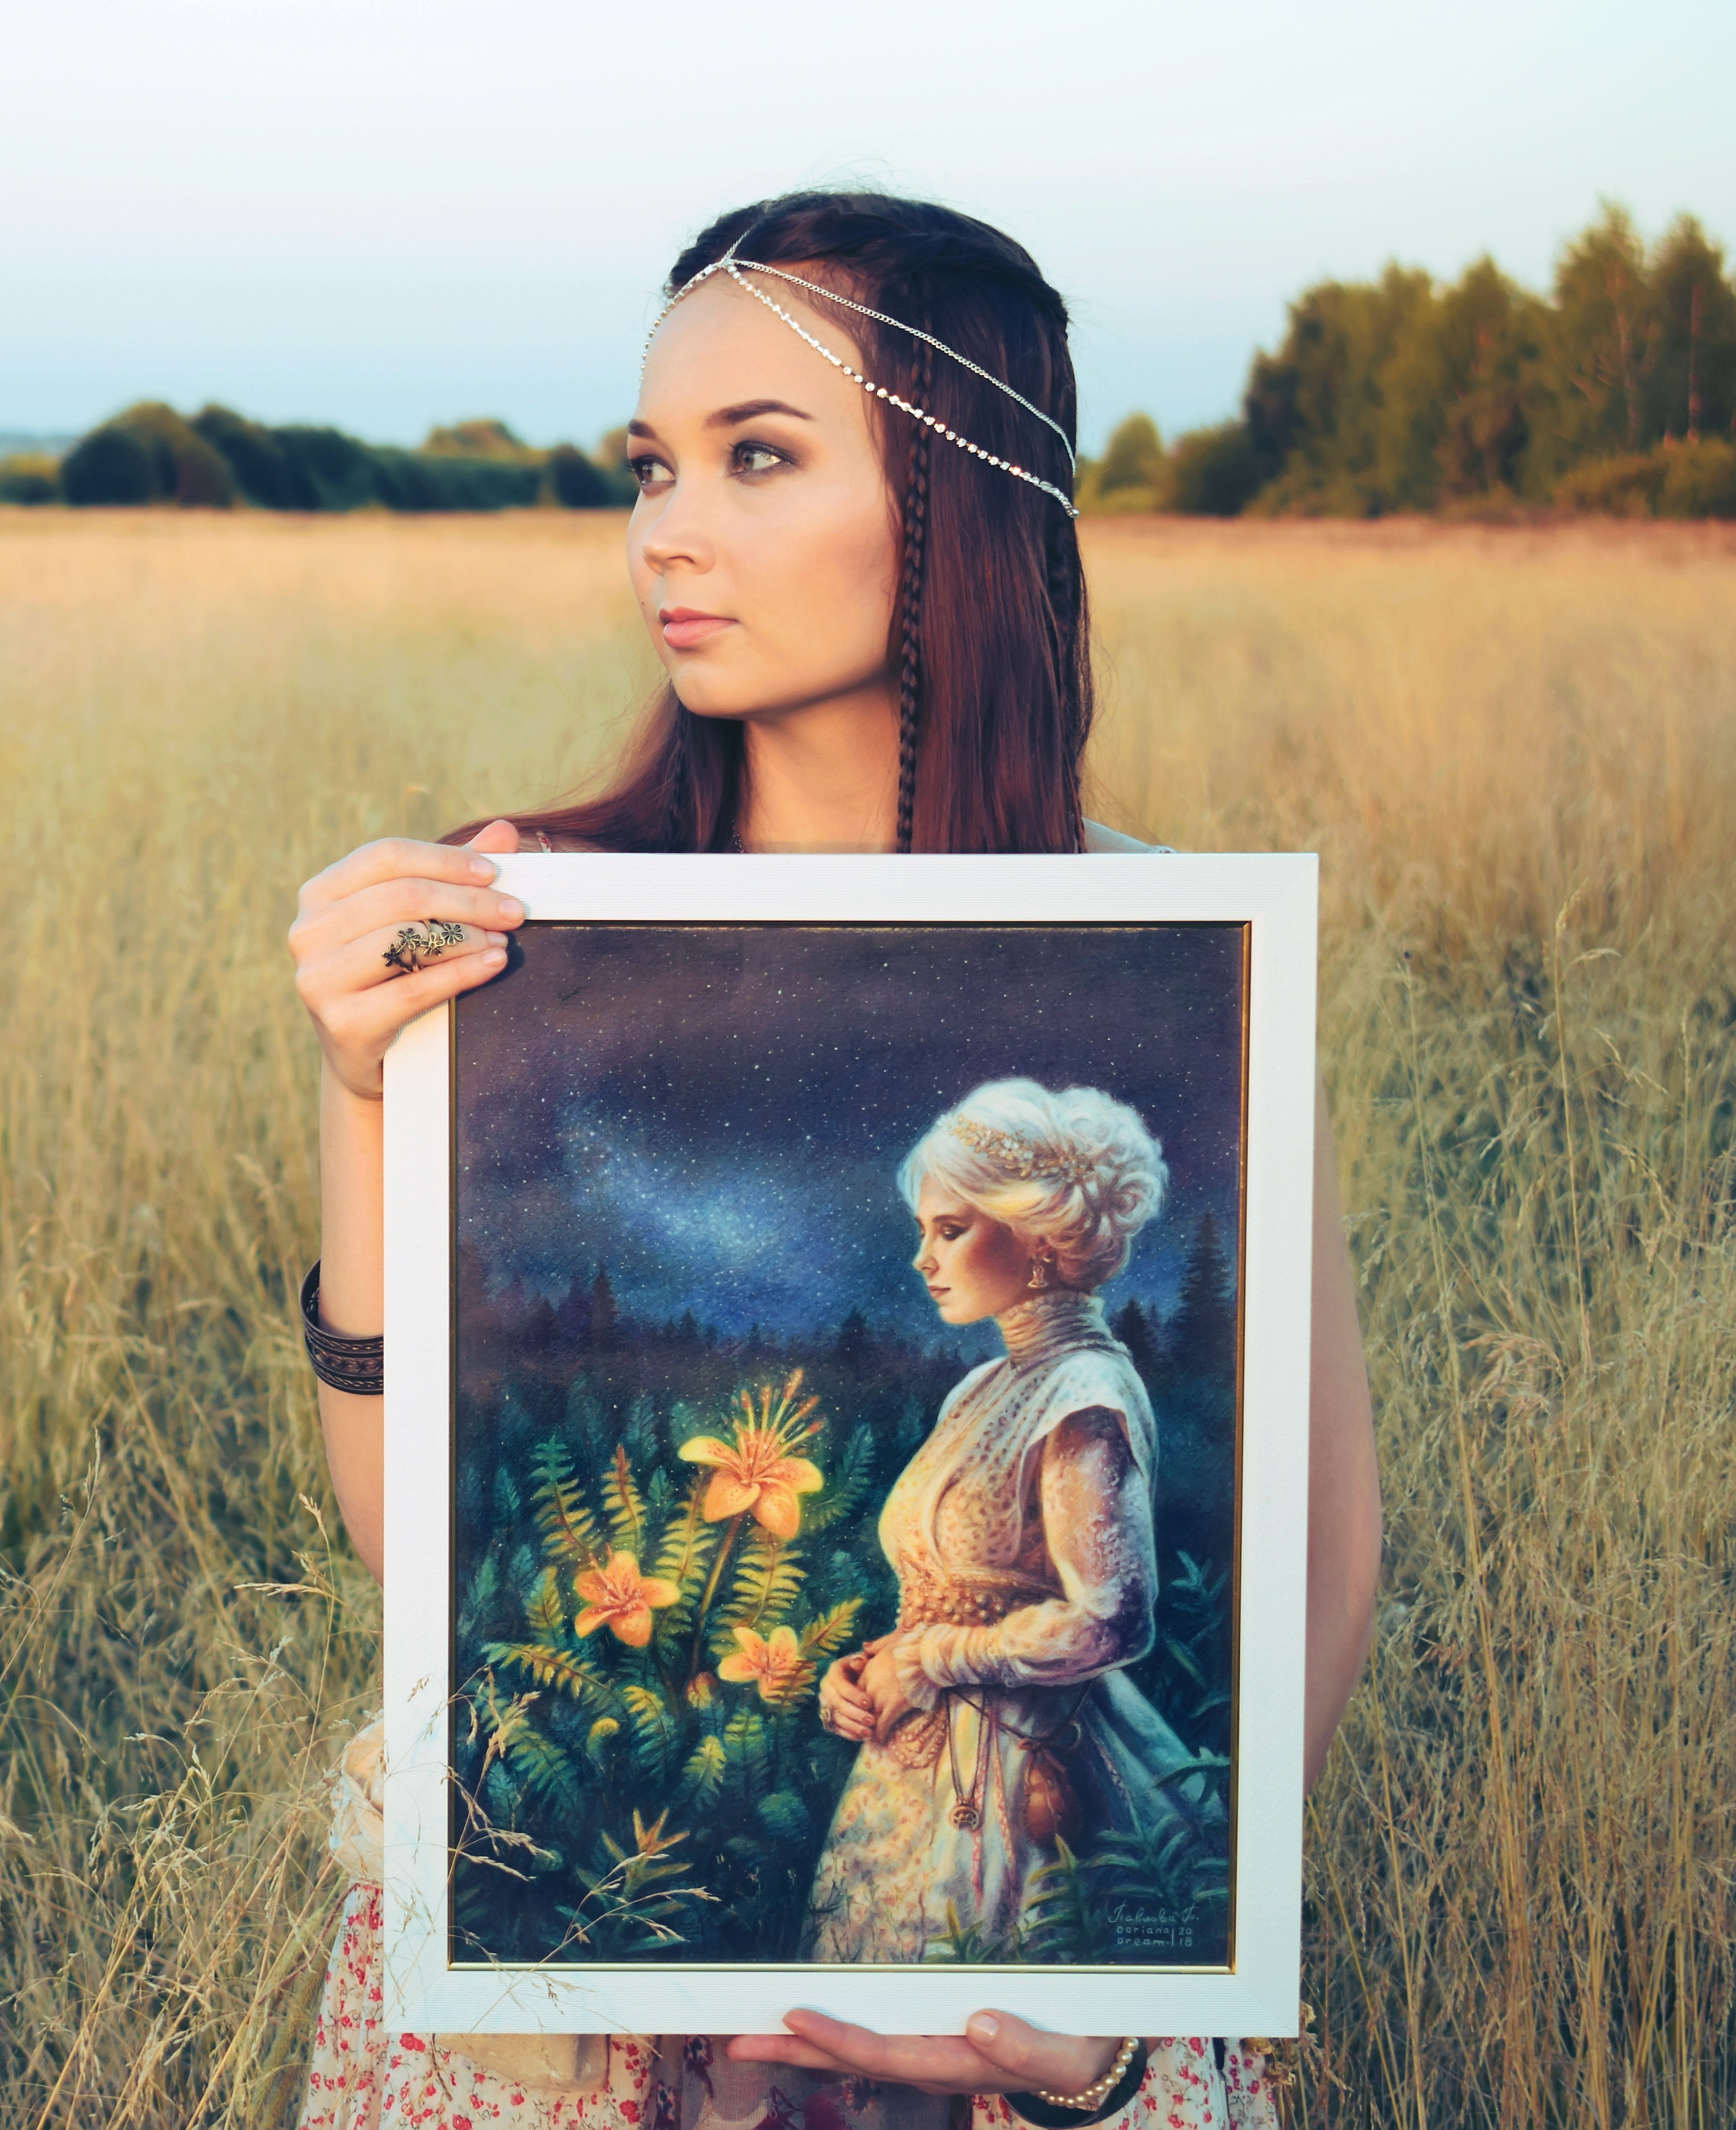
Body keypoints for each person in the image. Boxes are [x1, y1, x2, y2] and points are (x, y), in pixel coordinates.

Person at [282, 192, 1383, 2129]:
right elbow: (408, 1558)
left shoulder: (1173, 950)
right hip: (573, 2032)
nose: (663, 531)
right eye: (648, 466)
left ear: (963, 499)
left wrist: (1121, 2000)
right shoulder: (522, 923)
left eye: (757, 456)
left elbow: (1320, 1550)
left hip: (1022, 1984)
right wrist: (364, 1099)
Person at [802, 1080, 1209, 1971]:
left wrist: (929, 1659)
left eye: (950, 1229)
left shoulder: (1084, 1392)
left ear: (1035, 1236)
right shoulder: (979, 1388)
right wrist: (866, 1669)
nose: (922, 1258)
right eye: (922, 1230)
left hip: (1027, 1771)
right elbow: (960, 1589)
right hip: (911, 1767)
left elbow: (1112, 1619)